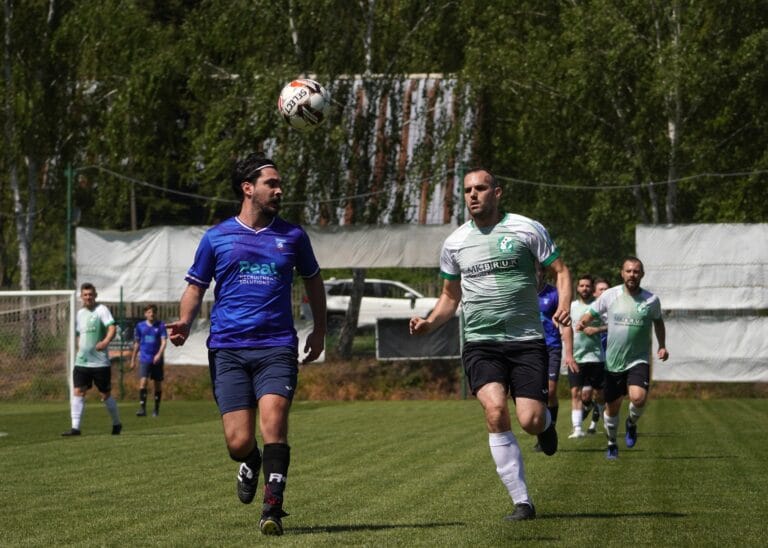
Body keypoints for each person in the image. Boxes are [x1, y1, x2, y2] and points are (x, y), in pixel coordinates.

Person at [167, 154, 327, 536]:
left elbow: (314, 281)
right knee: (238, 441)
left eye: (279, 182)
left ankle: (272, 509)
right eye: (271, 183)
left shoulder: (293, 236)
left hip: (276, 347)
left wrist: (320, 329)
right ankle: (250, 461)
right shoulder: (217, 237)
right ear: (248, 188)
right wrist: (186, 322)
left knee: (274, 423)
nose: (279, 190)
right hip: (228, 348)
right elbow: (195, 287)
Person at [409, 168, 572, 522]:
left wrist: (564, 305)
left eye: (480, 188)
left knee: (529, 419)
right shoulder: (454, 243)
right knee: (495, 411)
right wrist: (429, 322)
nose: (472, 195)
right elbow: (449, 298)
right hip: (481, 344)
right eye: (467, 189)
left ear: (497, 193)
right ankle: (523, 502)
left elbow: (560, 270)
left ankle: (545, 426)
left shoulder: (527, 229)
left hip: (527, 341)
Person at [575, 256, 669, 460]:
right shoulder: (610, 295)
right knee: (612, 409)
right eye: (628, 271)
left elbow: (658, 322)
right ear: (622, 273)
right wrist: (583, 322)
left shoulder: (651, 300)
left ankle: (632, 424)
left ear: (642, 274)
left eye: (636, 271)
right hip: (613, 363)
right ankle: (611, 443)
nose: (632, 275)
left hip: (638, 359)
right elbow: (591, 312)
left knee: (638, 397)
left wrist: (662, 346)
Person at [62, 282, 122, 436]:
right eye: (85, 295)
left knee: (105, 395)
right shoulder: (80, 313)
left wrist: (105, 342)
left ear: (95, 295)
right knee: (78, 391)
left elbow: (112, 327)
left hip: (100, 362)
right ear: (81, 297)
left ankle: (116, 423)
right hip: (82, 362)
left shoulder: (101, 310)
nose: (88, 297)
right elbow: (78, 334)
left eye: (90, 294)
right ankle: (75, 428)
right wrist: (80, 348)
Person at [535, 263, 577, 448]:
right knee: (536, 394)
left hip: (551, 347)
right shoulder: (521, 294)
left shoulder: (553, 294)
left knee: (550, 391)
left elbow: (566, 323)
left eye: (536, 270)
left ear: (543, 272)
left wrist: (569, 353)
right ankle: (541, 432)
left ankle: (549, 428)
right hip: (530, 348)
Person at [567, 274, 606, 437]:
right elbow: (565, 327)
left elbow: (612, 323)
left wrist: (597, 329)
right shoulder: (571, 306)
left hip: (596, 357)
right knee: (575, 392)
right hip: (577, 357)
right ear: (577, 288)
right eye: (582, 285)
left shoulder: (599, 306)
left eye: (588, 286)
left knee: (600, 394)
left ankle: (604, 419)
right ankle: (577, 429)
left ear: (592, 288)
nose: (585, 288)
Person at [130, 304, 168, 417]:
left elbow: (164, 342)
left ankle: (156, 409)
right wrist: (133, 359)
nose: (151, 314)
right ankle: (142, 409)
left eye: (153, 312)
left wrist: (159, 354)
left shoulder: (160, 326)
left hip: (157, 360)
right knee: (143, 382)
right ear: (145, 314)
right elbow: (137, 343)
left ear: (156, 313)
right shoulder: (140, 326)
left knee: (157, 384)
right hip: (144, 358)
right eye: (149, 312)